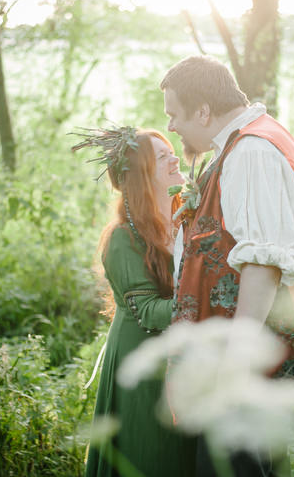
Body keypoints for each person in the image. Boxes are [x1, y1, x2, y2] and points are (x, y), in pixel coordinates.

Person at [161, 56, 294, 476]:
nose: (171, 127)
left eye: (174, 115)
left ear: (203, 110)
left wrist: (238, 356)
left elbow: (263, 263)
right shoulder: (248, 142)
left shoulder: (252, 152)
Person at [72, 127, 196, 477]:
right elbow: (148, 313)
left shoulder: (185, 218)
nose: (175, 158)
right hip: (141, 355)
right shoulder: (122, 238)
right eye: (162, 156)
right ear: (142, 174)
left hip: (179, 350)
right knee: (150, 451)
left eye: (172, 150)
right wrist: (207, 302)